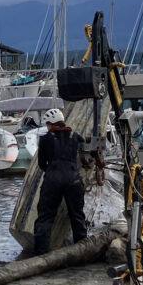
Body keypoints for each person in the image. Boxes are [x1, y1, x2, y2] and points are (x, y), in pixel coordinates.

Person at [33, 107, 88, 255]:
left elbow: (41, 164)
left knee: (45, 217)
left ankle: (41, 254)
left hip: (52, 180)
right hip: (73, 180)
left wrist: (53, 172)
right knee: (77, 215)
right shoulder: (76, 136)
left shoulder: (45, 139)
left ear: (50, 124)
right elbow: (85, 154)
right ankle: (82, 251)